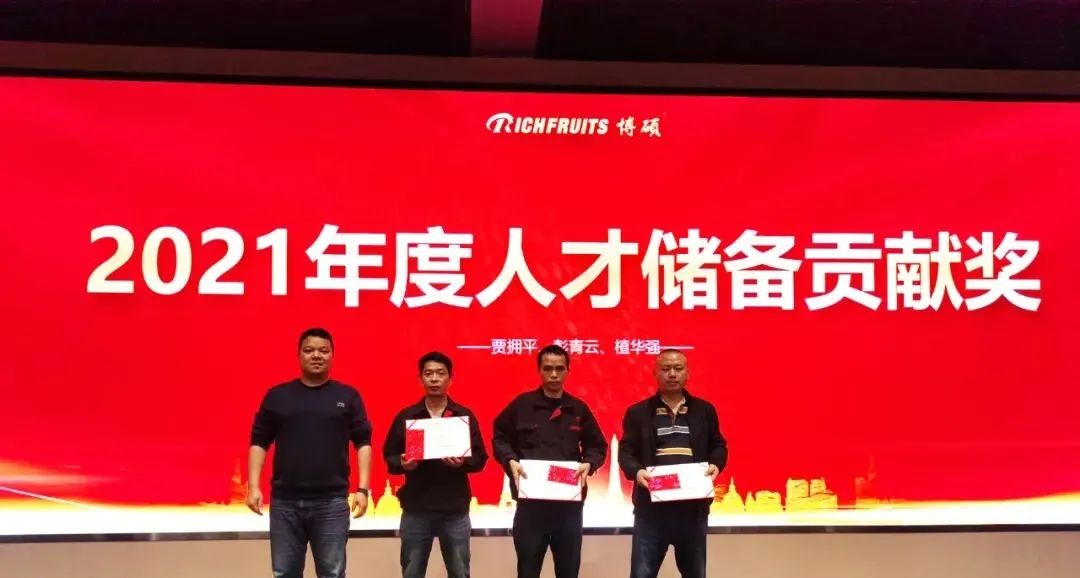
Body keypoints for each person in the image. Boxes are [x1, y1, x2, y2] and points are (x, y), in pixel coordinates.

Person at [247, 327, 373, 578]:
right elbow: (259, 441)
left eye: (323, 351)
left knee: (332, 573)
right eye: (309, 350)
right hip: (285, 502)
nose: (316, 355)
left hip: (332, 502)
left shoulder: (347, 396)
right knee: (285, 573)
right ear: (299, 355)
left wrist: (362, 489)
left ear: (332, 355)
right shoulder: (277, 396)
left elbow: (363, 443)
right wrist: (253, 486)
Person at [492, 344, 608, 578]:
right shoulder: (522, 405)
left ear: (567, 371)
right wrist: (510, 460)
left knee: (568, 571)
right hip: (531, 507)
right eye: (547, 368)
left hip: (568, 509)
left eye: (559, 369)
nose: (554, 375)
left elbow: (597, 445)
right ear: (539, 370)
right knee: (527, 571)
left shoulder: (577, 408)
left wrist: (588, 464)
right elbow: (500, 437)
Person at [618, 349, 728, 578]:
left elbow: (718, 445)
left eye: (678, 368)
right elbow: (626, 452)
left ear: (687, 372)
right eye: (665, 369)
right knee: (642, 573)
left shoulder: (704, 410)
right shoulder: (638, 413)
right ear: (655, 373)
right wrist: (637, 472)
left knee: (695, 573)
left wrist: (716, 465)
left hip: (692, 509)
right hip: (651, 510)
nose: (672, 374)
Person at [383, 351, 489, 578]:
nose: (434, 379)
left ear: (450, 379)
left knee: (460, 572)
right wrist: (403, 463)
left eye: (440, 374)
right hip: (416, 508)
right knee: (412, 571)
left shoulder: (462, 416)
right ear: (420, 378)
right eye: (428, 374)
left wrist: (462, 463)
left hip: (454, 509)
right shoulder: (408, 417)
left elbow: (480, 458)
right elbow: (390, 457)